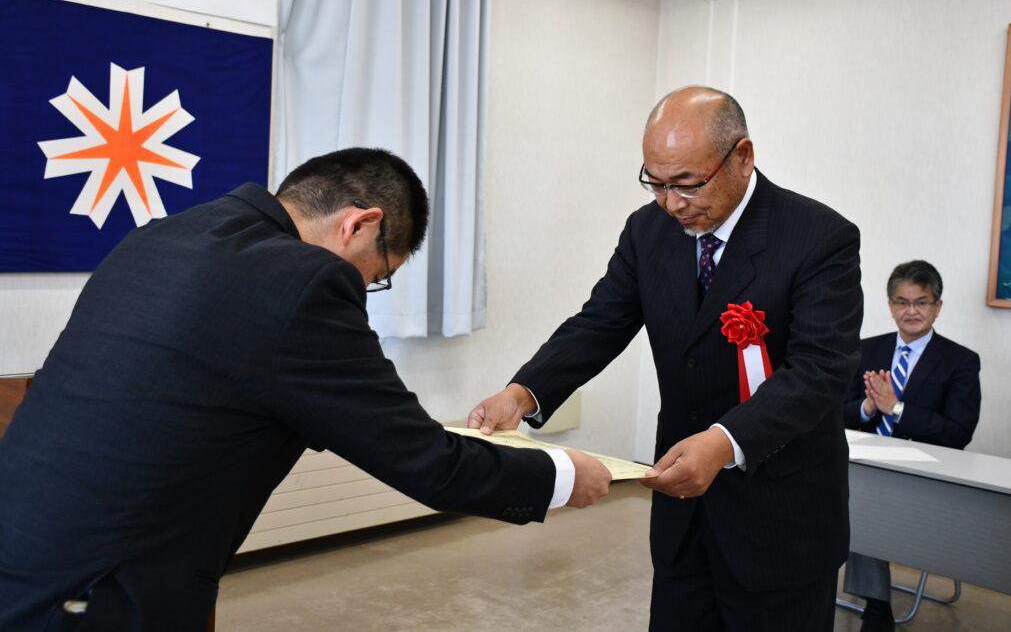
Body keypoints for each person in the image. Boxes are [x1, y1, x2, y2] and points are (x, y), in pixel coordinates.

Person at [0, 148, 612, 631]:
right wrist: (561, 475)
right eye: (378, 276)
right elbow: (426, 463)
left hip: (22, 543)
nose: (364, 290)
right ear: (360, 224)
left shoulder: (165, 234)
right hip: (100, 589)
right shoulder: (305, 282)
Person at [468, 86, 863, 631]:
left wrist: (723, 442)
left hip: (782, 515)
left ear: (743, 157)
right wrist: (523, 393)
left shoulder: (818, 237)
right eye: (655, 183)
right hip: (682, 512)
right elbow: (600, 322)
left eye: (687, 183)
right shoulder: (648, 230)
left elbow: (819, 370)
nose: (671, 203)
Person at [842, 260, 981, 632]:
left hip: (923, 472)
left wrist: (896, 408)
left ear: (938, 306)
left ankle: (876, 608)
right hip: (867, 465)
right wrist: (868, 407)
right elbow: (836, 413)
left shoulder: (962, 361)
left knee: (866, 507)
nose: (911, 311)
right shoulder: (865, 350)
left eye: (921, 302)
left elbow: (958, 433)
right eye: (902, 302)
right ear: (890, 305)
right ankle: (873, 601)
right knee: (854, 498)